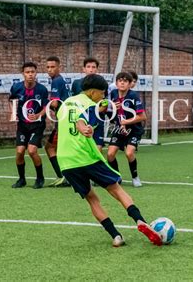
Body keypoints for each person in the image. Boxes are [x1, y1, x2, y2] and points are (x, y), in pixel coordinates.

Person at [56, 74, 162, 247]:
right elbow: (81, 121)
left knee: (92, 199)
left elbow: (68, 122)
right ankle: (140, 221)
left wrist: (83, 126)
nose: (103, 97)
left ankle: (116, 236)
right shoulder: (91, 105)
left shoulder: (65, 104)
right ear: (92, 92)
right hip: (86, 156)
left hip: (66, 161)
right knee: (116, 189)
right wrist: (84, 128)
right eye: (102, 93)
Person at [8, 62, 48, 189]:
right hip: (22, 125)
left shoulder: (42, 90)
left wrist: (38, 115)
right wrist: (14, 113)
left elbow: (46, 107)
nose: (30, 75)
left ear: (36, 73)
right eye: (27, 72)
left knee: (31, 151)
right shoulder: (16, 88)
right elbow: (11, 100)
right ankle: (21, 179)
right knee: (19, 152)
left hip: (37, 125)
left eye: (32, 72)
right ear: (23, 74)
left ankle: (40, 178)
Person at [107, 72, 146, 187]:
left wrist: (126, 122)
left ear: (130, 84)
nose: (122, 83)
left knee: (129, 153)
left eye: (125, 81)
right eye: (120, 80)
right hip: (119, 129)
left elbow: (143, 117)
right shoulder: (113, 93)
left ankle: (135, 177)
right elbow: (111, 112)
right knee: (110, 154)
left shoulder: (133, 96)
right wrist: (114, 109)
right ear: (116, 83)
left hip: (134, 130)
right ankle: (117, 176)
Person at [45, 56, 71, 187]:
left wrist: (44, 104)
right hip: (63, 119)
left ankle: (66, 177)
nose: (50, 69)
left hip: (63, 120)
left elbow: (55, 103)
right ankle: (62, 176)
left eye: (52, 67)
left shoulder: (56, 81)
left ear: (59, 67)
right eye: (48, 67)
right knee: (50, 147)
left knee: (57, 148)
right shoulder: (59, 80)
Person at [71, 57, 106, 151]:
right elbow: (73, 101)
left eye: (94, 67)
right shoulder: (76, 83)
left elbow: (104, 102)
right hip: (81, 119)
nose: (91, 69)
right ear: (84, 69)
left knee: (98, 149)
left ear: (97, 69)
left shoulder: (101, 82)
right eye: (88, 66)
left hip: (97, 119)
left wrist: (96, 112)